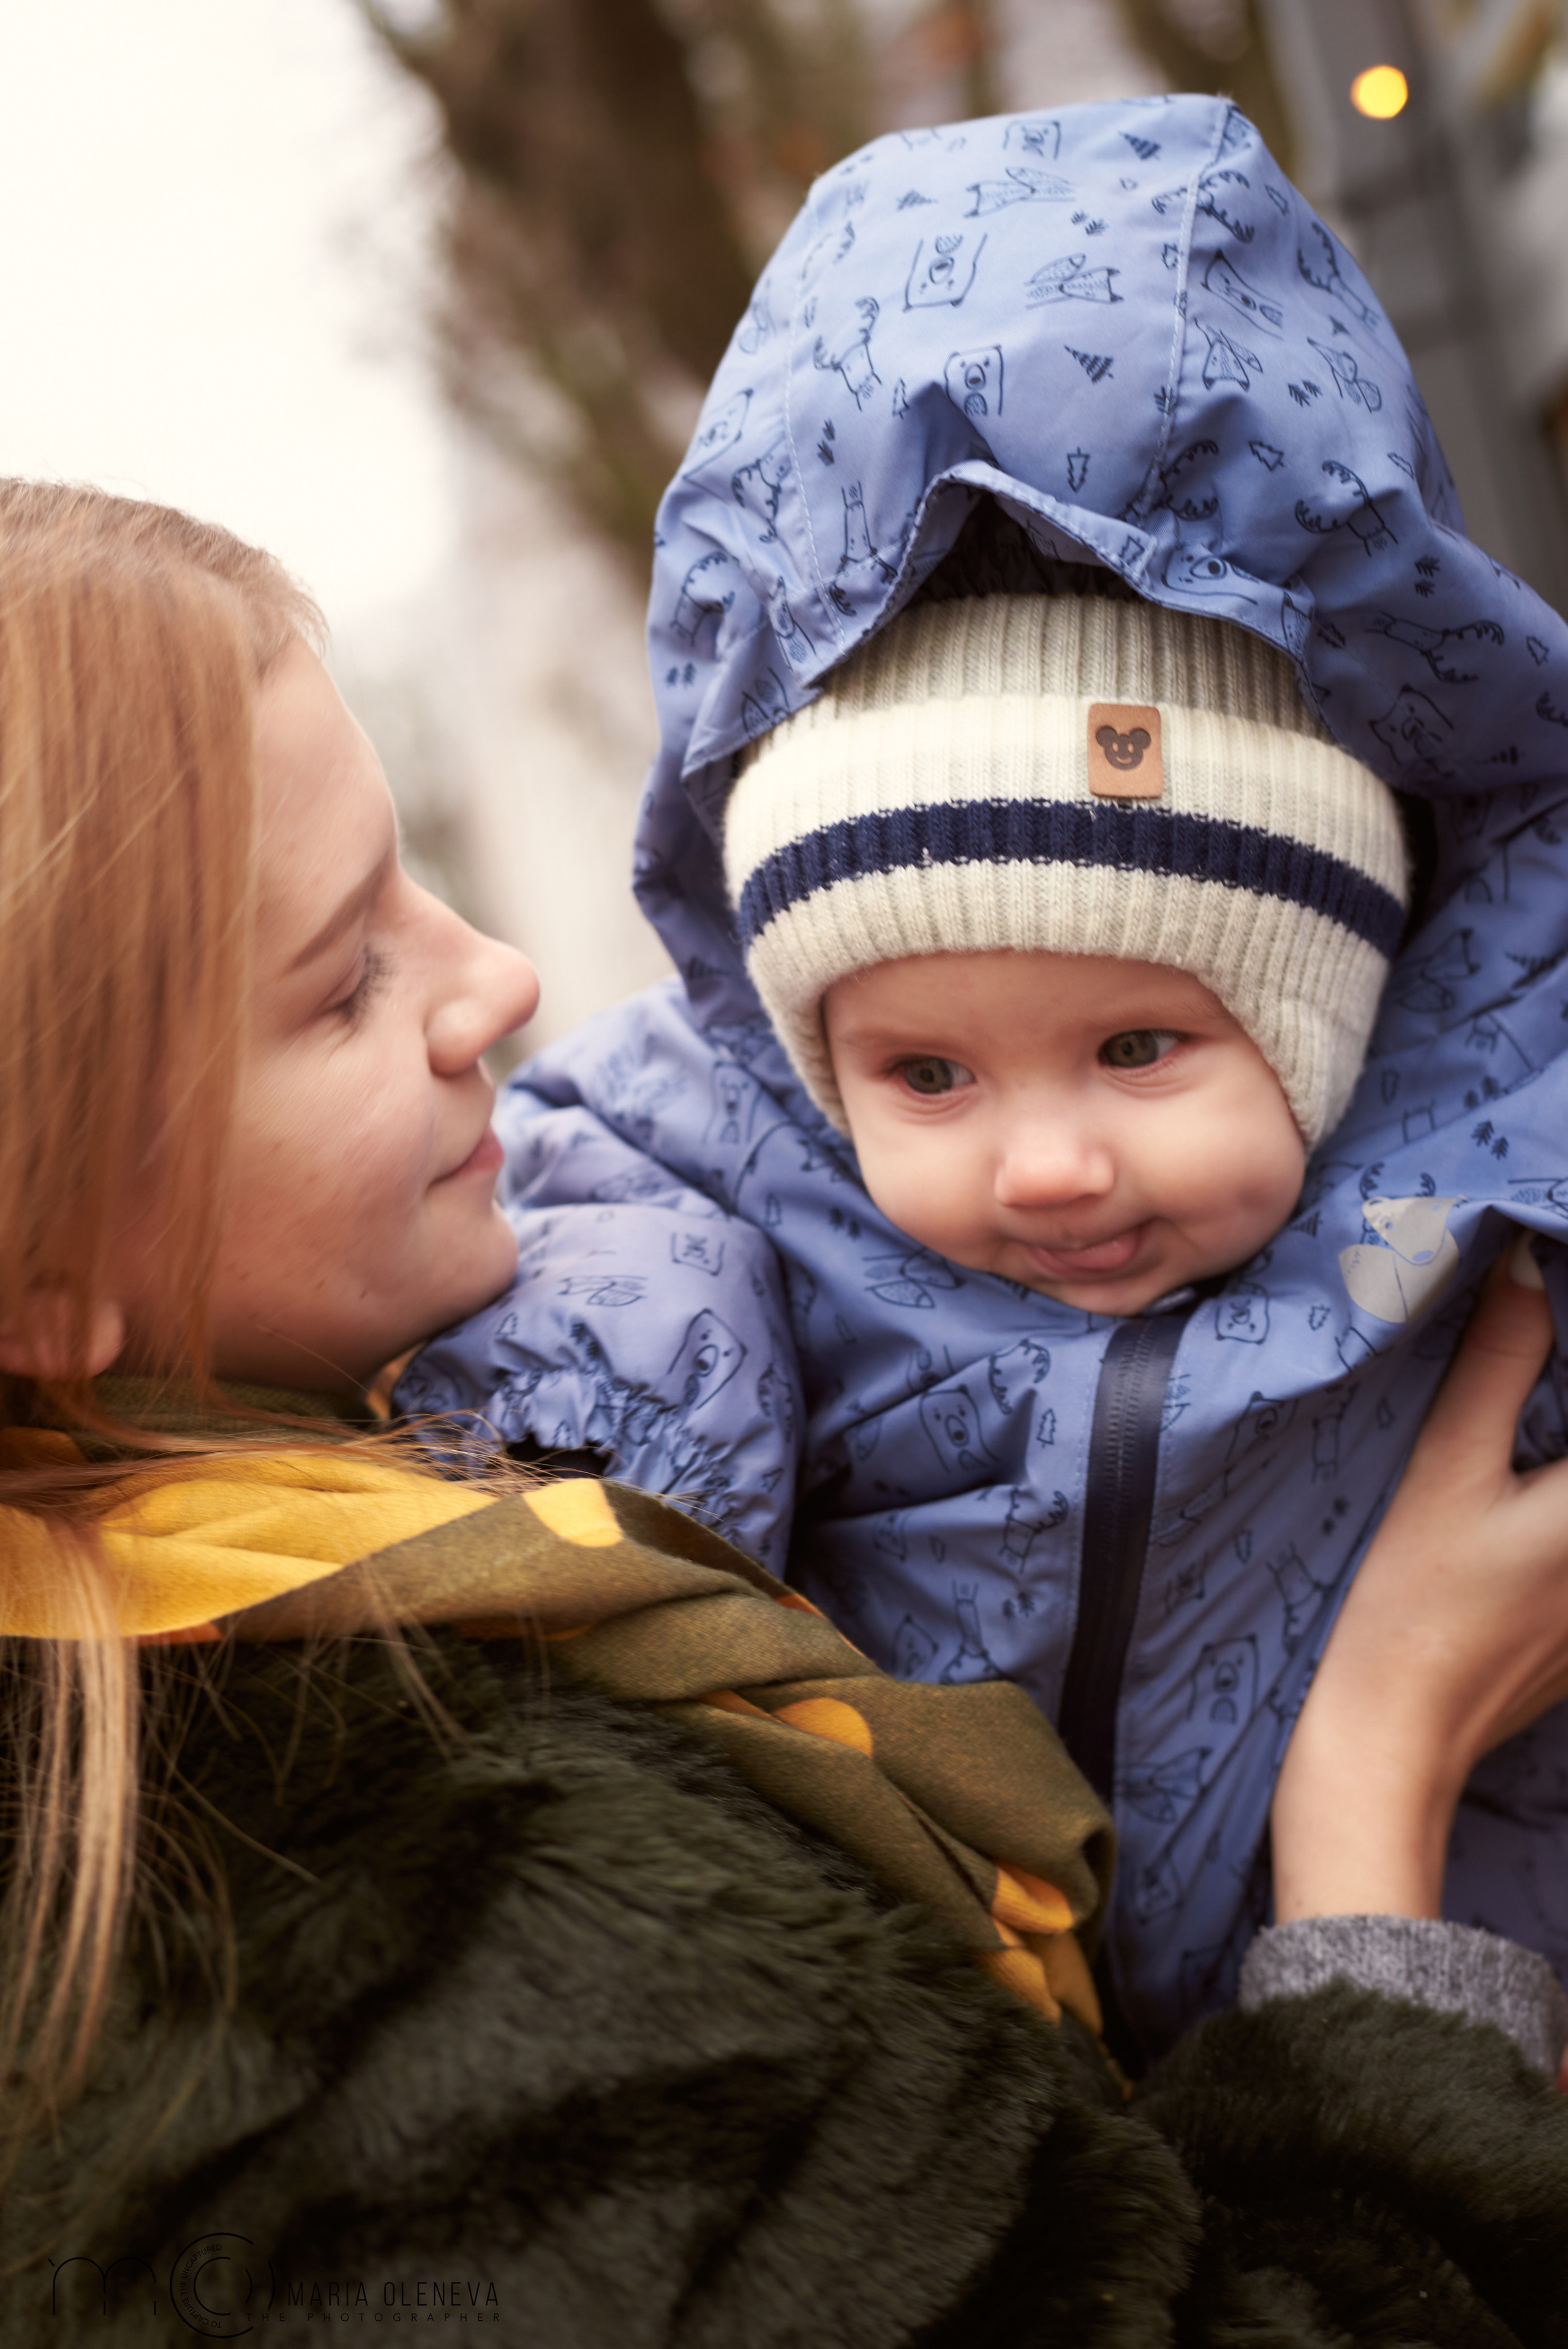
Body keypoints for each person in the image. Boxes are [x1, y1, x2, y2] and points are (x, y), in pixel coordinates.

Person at [4, 482, 1568, 2339]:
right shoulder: (351, 1958)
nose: (497, 979)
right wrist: (1376, 1772)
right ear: (42, 1274)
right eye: (347, 984)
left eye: (416, 887)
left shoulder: (400, 1532)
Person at [402, 92, 1568, 2056]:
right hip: (989, 2092)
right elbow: (583, 1245)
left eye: (1138, 1045)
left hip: (1452, 2069)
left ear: (1333, 999)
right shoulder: (718, 1188)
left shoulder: (1500, 1178)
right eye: (926, 1071)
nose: (1045, 1165)